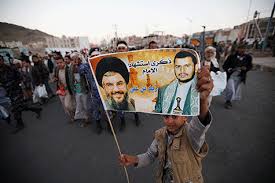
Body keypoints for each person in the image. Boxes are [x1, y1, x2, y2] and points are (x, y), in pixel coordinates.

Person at [119, 66, 213, 183]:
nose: (169, 121)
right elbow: (150, 155)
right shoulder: (160, 134)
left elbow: (200, 124)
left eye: (174, 116)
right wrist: (134, 159)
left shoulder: (191, 135)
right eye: (166, 116)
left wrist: (203, 101)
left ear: (185, 117)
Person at [0, 55, 42, 133]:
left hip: (16, 91)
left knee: (15, 108)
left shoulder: (10, 68)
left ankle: (20, 124)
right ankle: (36, 109)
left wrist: (12, 84)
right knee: (21, 106)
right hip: (9, 93)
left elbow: (20, 78)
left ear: (2, 60)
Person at [155, 50, 199, 115]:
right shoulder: (163, 90)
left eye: (186, 66)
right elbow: (158, 111)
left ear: (196, 67)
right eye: (178, 66)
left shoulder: (199, 90)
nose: (182, 70)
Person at [223, 44, 252, 109]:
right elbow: (224, 66)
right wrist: (231, 69)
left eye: (243, 48)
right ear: (237, 49)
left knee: (235, 90)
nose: (242, 50)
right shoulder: (231, 56)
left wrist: (246, 68)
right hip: (231, 76)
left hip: (239, 77)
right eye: (240, 48)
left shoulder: (248, 57)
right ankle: (228, 101)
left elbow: (250, 66)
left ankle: (229, 101)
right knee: (231, 90)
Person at [54, 56, 75, 123]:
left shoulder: (68, 69)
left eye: (61, 62)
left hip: (68, 89)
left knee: (68, 105)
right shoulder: (57, 69)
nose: (59, 64)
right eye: (57, 63)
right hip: (61, 90)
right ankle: (71, 116)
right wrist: (55, 79)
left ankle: (74, 114)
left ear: (64, 62)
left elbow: (73, 79)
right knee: (64, 106)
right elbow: (55, 77)